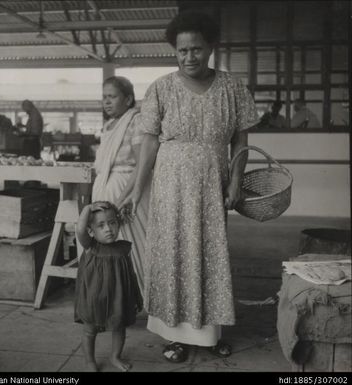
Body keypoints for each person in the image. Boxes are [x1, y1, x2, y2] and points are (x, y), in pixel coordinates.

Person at [120, 10, 260, 363]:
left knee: (209, 254)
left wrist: (236, 180)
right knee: (172, 255)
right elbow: (149, 142)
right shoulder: (161, 88)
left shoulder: (233, 87)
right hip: (170, 185)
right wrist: (137, 191)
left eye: (196, 49)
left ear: (211, 46)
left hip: (212, 183)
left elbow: (240, 140)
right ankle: (174, 336)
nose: (189, 57)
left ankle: (210, 335)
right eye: (182, 51)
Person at [91, 76, 150, 295]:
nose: (106, 102)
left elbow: (142, 163)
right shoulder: (108, 125)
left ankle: (143, 296)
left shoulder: (136, 120)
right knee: (108, 244)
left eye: (112, 97)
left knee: (132, 244)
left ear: (128, 99)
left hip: (128, 189)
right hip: (105, 187)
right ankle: (117, 298)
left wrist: (123, 198)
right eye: (104, 97)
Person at [74, 201, 142, 372]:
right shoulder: (90, 246)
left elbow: (130, 275)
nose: (108, 229)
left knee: (119, 327)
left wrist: (135, 296)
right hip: (94, 298)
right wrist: (87, 209)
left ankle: (115, 356)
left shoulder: (123, 249)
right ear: (91, 231)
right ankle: (90, 361)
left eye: (112, 223)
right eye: (101, 225)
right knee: (90, 330)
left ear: (118, 224)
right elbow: (80, 230)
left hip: (118, 297)